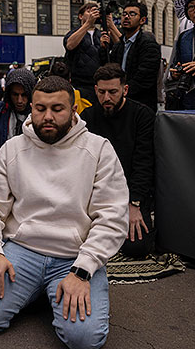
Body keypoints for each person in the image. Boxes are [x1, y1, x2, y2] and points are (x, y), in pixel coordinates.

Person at [0, 76, 128, 347]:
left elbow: (112, 218)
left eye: (57, 109)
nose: (48, 117)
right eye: (40, 109)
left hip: (74, 257)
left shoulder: (99, 149)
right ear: (31, 108)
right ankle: (42, 291)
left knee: (84, 340)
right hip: (22, 250)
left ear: (74, 110)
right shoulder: (13, 148)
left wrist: (83, 271)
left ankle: (50, 290)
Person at [81, 64, 156, 258]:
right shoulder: (87, 117)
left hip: (131, 194)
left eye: (113, 92)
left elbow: (144, 162)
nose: (107, 98)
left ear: (125, 89)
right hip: (97, 194)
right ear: (95, 90)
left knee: (137, 247)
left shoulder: (142, 115)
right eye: (102, 92)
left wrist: (135, 204)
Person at [0, 69, 36, 175]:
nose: (19, 100)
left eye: (24, 95)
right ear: (9, 94)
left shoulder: (39, 114)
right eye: (15, 95)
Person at [109, 2, 161, 112]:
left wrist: (122, 92)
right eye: (124, 14)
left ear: (142, 20)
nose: (126, 17)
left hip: (141, 105)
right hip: (120, 102)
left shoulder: (148, 44)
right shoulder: (119, 45)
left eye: (132, 14)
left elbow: (145, 77)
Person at [64, 3, 115, 102]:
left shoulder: (102, 34)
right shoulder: (74, 33)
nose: (93, 14)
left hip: (99, 84)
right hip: (79, 84)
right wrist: (87, 23)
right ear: (80, 16)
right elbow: (70, 45)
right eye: (89, 11)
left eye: (95, 11)